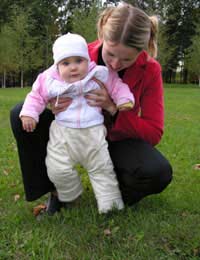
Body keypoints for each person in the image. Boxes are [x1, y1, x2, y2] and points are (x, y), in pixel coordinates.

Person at [10, 4, 172, 216]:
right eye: (111, 53)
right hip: (67, 131)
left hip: (113, 139)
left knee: (158, 171)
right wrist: (53, 103)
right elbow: (45, 86)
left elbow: (154, 131)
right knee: (20, 113)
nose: (115, 64)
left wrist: (113, 109)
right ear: (103, 31)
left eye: (127, 59)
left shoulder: (150, 70)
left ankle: (116, 193)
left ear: (142, 51)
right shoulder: (77, 54)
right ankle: (57, 192)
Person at [19, 32, 135, 214]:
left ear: (87, 60)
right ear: (57, 65)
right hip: (63, 134)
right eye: (66, 63)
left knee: (102, 169)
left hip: (93, 133)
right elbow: (36, 96)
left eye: (79, 61)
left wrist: (123, 99)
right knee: (57, 168)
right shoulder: (48, 79)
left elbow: (117, 85)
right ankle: (71, 194)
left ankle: (110, 206)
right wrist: (29, 114)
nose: (73, 68)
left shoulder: (98, 72)